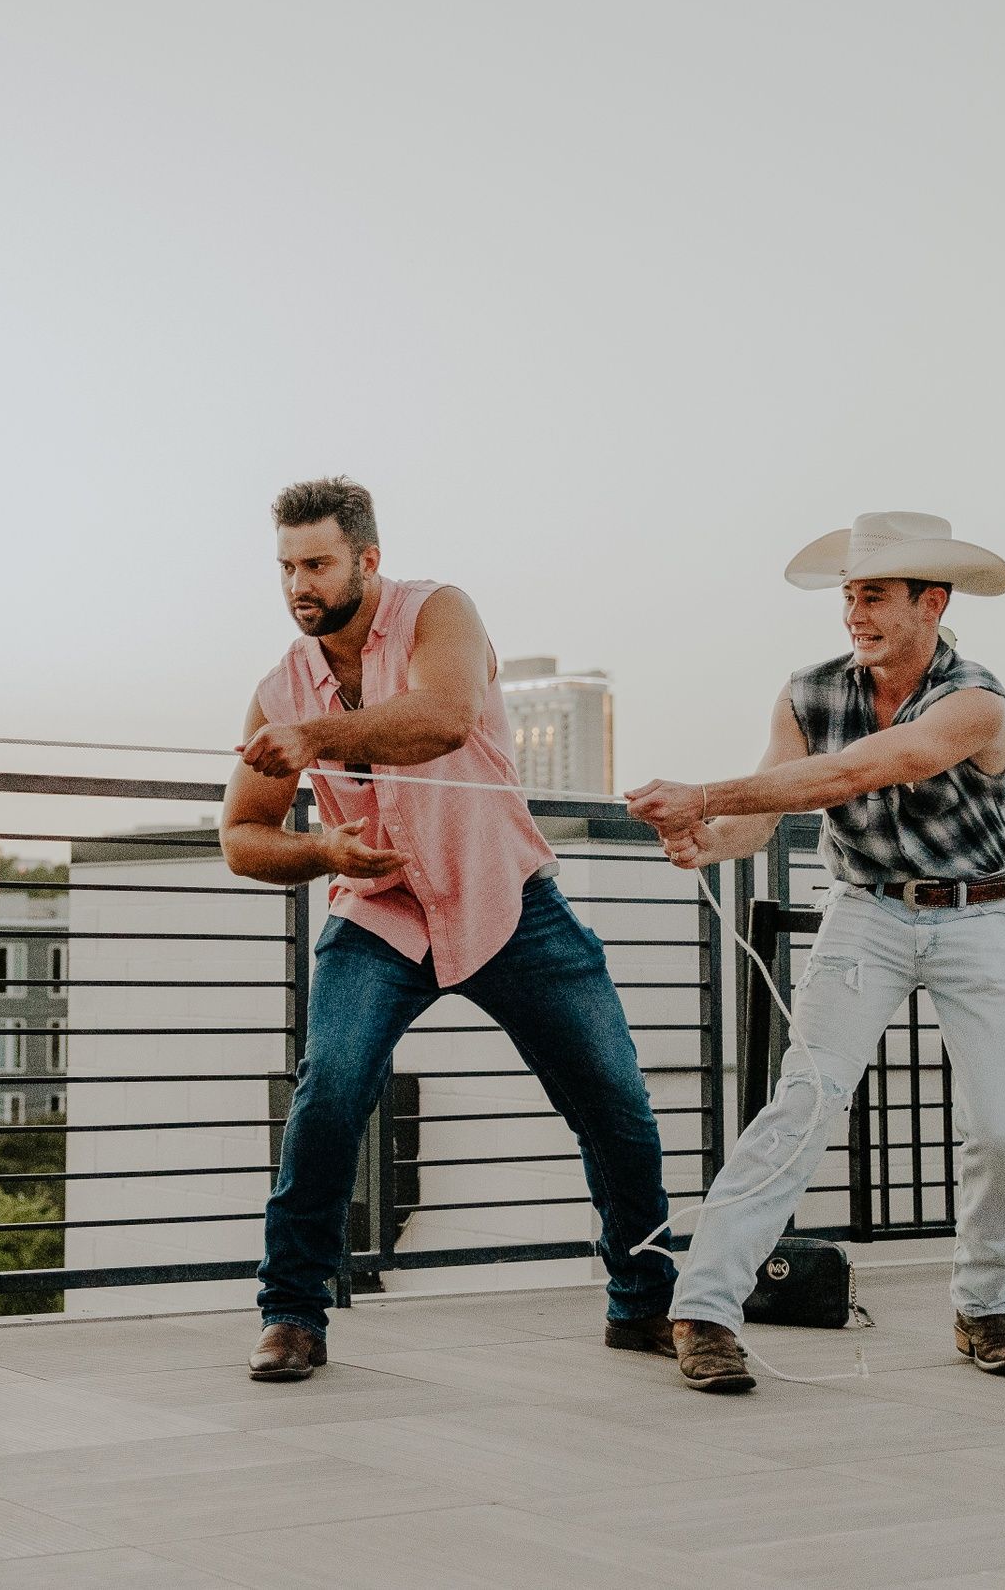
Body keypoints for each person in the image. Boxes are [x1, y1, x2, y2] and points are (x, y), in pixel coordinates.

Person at [220, 477, 678, 1379]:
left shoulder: (439, 612)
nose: (297, 584)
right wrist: (325, 856)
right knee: (328, 1096)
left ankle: (645, 1305)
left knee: (615, 1100)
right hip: (381, 915)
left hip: (505, 898)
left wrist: (312, 738)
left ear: (368, 559)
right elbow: (242, 837)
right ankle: (292, 1314)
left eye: (316, 563)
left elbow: (445, 716)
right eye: (285, 567)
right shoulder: (279, 686)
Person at [627, 511, 1005, 1394]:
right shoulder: (806, 692)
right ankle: (702, 1312)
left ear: (932, 601)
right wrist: (710, 837)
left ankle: (984, 1305)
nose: (856, 610)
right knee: (802, 1106)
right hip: (867, 916)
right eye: (851, 594)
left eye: (876, 594)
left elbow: (862, 770)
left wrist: (702, 789)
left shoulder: (975, 699)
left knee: (1004, 1131)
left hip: (980, 919)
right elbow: (762, 819)